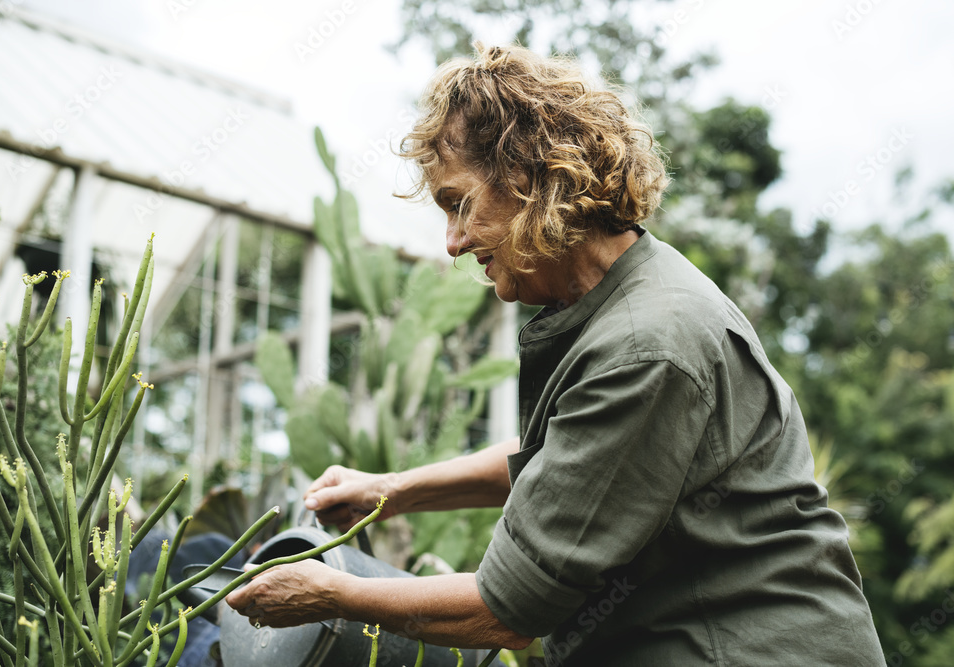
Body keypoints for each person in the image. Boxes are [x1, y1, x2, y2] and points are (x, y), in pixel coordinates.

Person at [226, 44, 887, 665]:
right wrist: (389, 492)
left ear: (529, 175)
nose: (451, 243)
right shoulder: (621, 299)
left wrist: (328, 593)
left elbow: (506, 611)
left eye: (459, 204)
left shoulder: (646, 343)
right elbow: (566, 465)